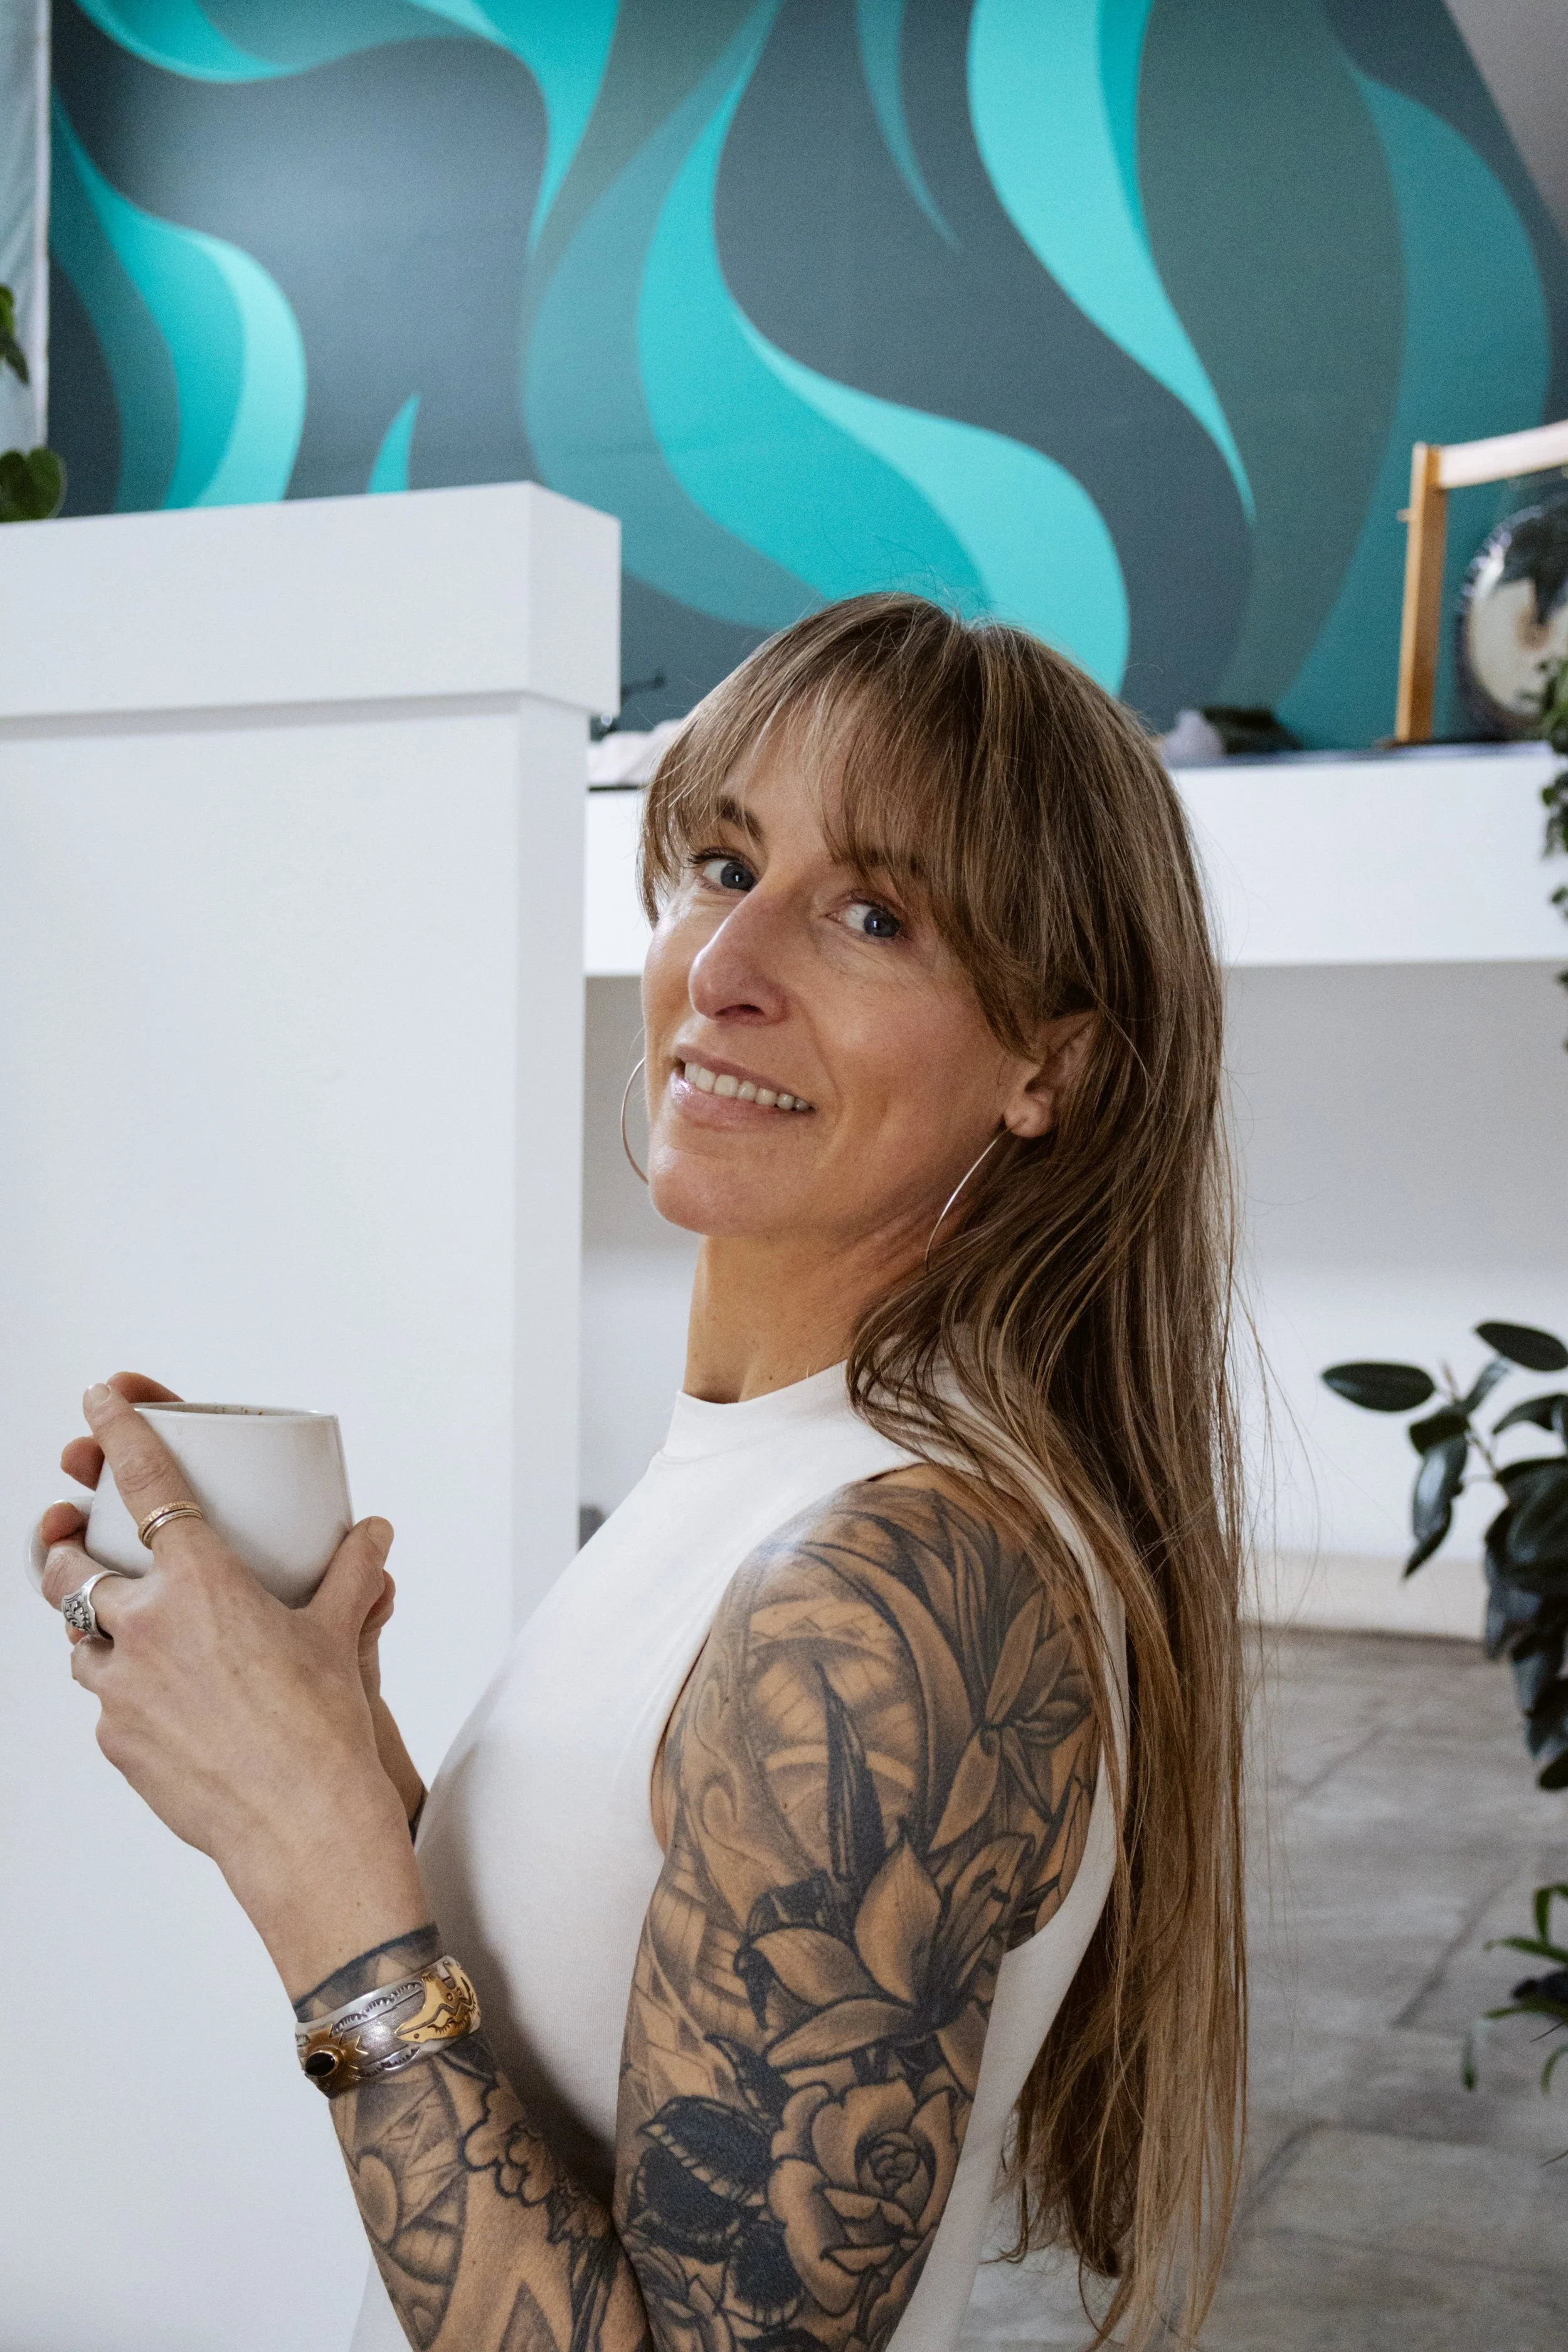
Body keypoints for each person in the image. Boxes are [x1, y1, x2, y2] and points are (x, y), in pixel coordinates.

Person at [37, 595, 1246, 2352]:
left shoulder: (897, 1588)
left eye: (871, 913)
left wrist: (305, 1857)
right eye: (717, 859)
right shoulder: (775, 1478)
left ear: (1047, 1064)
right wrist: (304, 1749)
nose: (725, 963)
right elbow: (578, 2043)